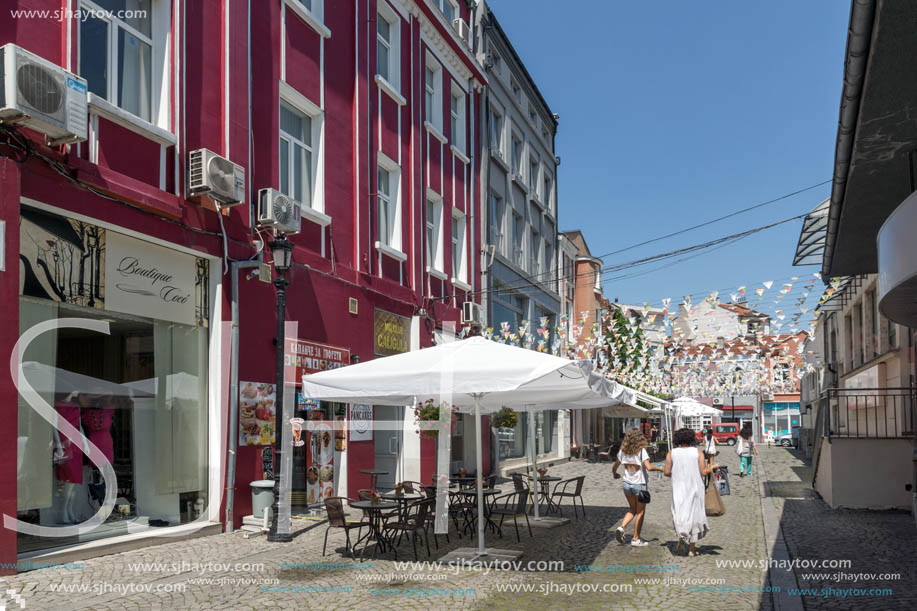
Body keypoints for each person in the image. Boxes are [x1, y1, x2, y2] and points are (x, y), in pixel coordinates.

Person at [664, 427, 716, 556]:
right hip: (695, 487)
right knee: (694, 515)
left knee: (680, 512)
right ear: (692, 438)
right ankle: (692, 549)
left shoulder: (671, 453)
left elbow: (666, 472)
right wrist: (712, 467)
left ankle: (682, 535)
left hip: (678, 487)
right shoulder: (697, 452)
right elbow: (703, 472)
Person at [612, 428, 664, 546]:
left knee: (632, 509)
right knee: (640, 512)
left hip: (626, 484)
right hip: (639, 485)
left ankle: (621, 527)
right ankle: (635, 539)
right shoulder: (641, 451)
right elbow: (649, 467)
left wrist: (614, 473)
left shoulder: (622, 451)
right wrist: (661, 468)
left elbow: (615, 466)